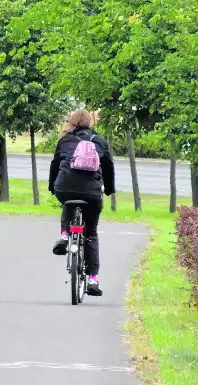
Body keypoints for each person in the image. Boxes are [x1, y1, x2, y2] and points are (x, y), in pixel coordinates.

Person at [48, 108, 115, 297]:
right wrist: (109, 189)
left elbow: (55, 165)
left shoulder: (65, 140)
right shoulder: (100, 141)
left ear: (71, 122)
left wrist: (53, 186)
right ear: (90, 122)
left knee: (67, 202)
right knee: (91, 232)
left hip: (65, 186)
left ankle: (64, 236)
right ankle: (92, 279)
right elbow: (109, 168)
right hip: (92, 192)